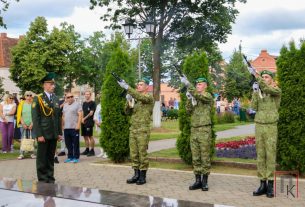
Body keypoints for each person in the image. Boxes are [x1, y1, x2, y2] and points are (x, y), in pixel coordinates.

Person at [249, 68, 281, 198]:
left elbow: (268, 89)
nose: (265, 79)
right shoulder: (260, 91)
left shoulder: (276, 90)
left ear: (272, 79)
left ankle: (270, 186)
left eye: (267, 77)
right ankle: (262, 184)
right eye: (264, 77)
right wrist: (255, 92)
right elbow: (254, 107)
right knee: (261, 155)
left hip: (271, 126)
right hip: (259, 125)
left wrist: (257, 76)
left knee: (270, 155)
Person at [117, 77, 154, 185]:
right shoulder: (136, 98)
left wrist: (127, 87)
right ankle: (136, 174)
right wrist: (129, 100)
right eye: (138, 84)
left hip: (143, 130)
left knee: (142, 153)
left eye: (141, 84)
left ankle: (142, 176)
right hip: (133, 129)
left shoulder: (149, 97)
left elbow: (141, 97)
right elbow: (127, 112)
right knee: (134, 153)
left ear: (147, 86)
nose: (138, 86)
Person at [180, 76, 213, 191]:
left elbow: (200, 96)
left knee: (205, 157)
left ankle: (205, 181)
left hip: (204, 130)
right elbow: (188, 111)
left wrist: (189, 86)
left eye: (200, 84)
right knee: (196, 157)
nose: (198, 86)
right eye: (197, 84)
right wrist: (189, 99)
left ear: (205, 86)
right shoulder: (195, 96)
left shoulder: (207, 96)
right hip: (194, 130)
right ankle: (197, 180)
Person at [32, 72, 63, 183]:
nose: (53, 86)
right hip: (43, 133)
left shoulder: (55, 98)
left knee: (50, 157)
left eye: (53, 84)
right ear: (44, 85)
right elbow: (36, 119)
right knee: (42, 158)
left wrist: (59, 133)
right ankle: (42, 178)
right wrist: (39, 134)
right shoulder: (38, 99)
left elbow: (58, 117)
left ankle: (50, 176)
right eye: (50, 84)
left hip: (53, 133)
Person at [62, 92, 82, 163]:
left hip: (74, 127)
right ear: (66, 98)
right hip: (66, 128)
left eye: (71, 96)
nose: (70, 98)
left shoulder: (77, 104)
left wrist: (78, 125)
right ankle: (70, 157)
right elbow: (63, 116)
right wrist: (62, 125)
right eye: (68, 97)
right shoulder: (65, 105)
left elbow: (80, 115)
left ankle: (76, 157)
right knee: (68, 144)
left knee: (75, 143)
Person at [16, 91, 36, 159]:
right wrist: (23, 123)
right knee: (23, 138)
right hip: (23, 124)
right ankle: (21, 153)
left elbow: (35, 115)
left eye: (30, 95)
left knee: (32, 138)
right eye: (27, 95)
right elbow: (19, 114)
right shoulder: (21, 103)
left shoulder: (34, 104)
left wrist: (32, 123)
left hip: (32, 124)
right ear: (25, 96)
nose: (29, 97)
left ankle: (32, 153)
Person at [80, 91, 96, 156]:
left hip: (89, 121)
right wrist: (81, 119)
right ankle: (87, 150)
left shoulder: (93, 103)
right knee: (85, 136)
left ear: (90, 95)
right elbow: (83, 111)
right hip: (83, 122)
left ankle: (92, 151)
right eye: (85, 94)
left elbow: (91, 113)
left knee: (90, 136)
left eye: (88, 94)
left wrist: (84, 118)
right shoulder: (84, 103)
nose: (86, 95)